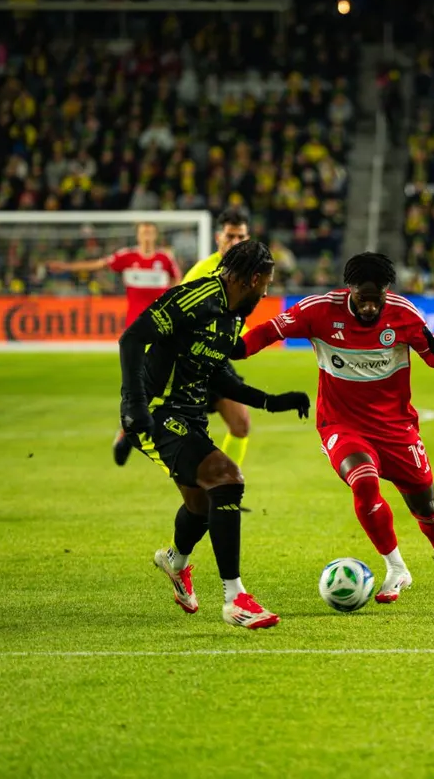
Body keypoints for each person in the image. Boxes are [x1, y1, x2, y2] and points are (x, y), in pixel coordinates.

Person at [235, 252, 434, 604]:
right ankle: (396, 567)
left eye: (376, 299)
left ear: (386, 290)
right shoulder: (318, 310)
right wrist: (234, 349)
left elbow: (433, 358)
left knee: (426, 507)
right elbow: (270, 330)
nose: (369, 307)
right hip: (342, 424)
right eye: (362, 299)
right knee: (364, 481)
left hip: (396, 428)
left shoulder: (404, 314)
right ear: (349, 289)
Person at [119, 240, 310, 629]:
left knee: (201, 506)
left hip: (191, 418)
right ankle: (235, 598)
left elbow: (217, 370)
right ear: (252, 279)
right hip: (159, 414)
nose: (267, 292)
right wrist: (133, 404)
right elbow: (133, 338)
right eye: (267, 284)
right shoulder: (195, 298)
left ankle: (174, 561)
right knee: (226, 478)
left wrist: (270, 401)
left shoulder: (233, 312)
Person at [174, 208, 255, 469]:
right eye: (229, 236)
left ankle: (226, 485)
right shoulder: (201, 273)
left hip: (214, 361)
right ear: (218, 237)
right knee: (185, 436)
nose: (234, 242)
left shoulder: (247, 274)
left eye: (239, 237)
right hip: (190, 361)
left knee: (240, 424)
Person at [46, 221, 181, 325]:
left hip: (161, 317)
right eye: (143, 233)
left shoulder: (165, 257)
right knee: (135, 358)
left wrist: (171, 301)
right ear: (137, 236)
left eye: (150, 233)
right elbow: (98, 264)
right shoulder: (127, 256)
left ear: (155, 236)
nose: (147, 236)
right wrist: (66, 266)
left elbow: (177, 279)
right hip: (136, 318)